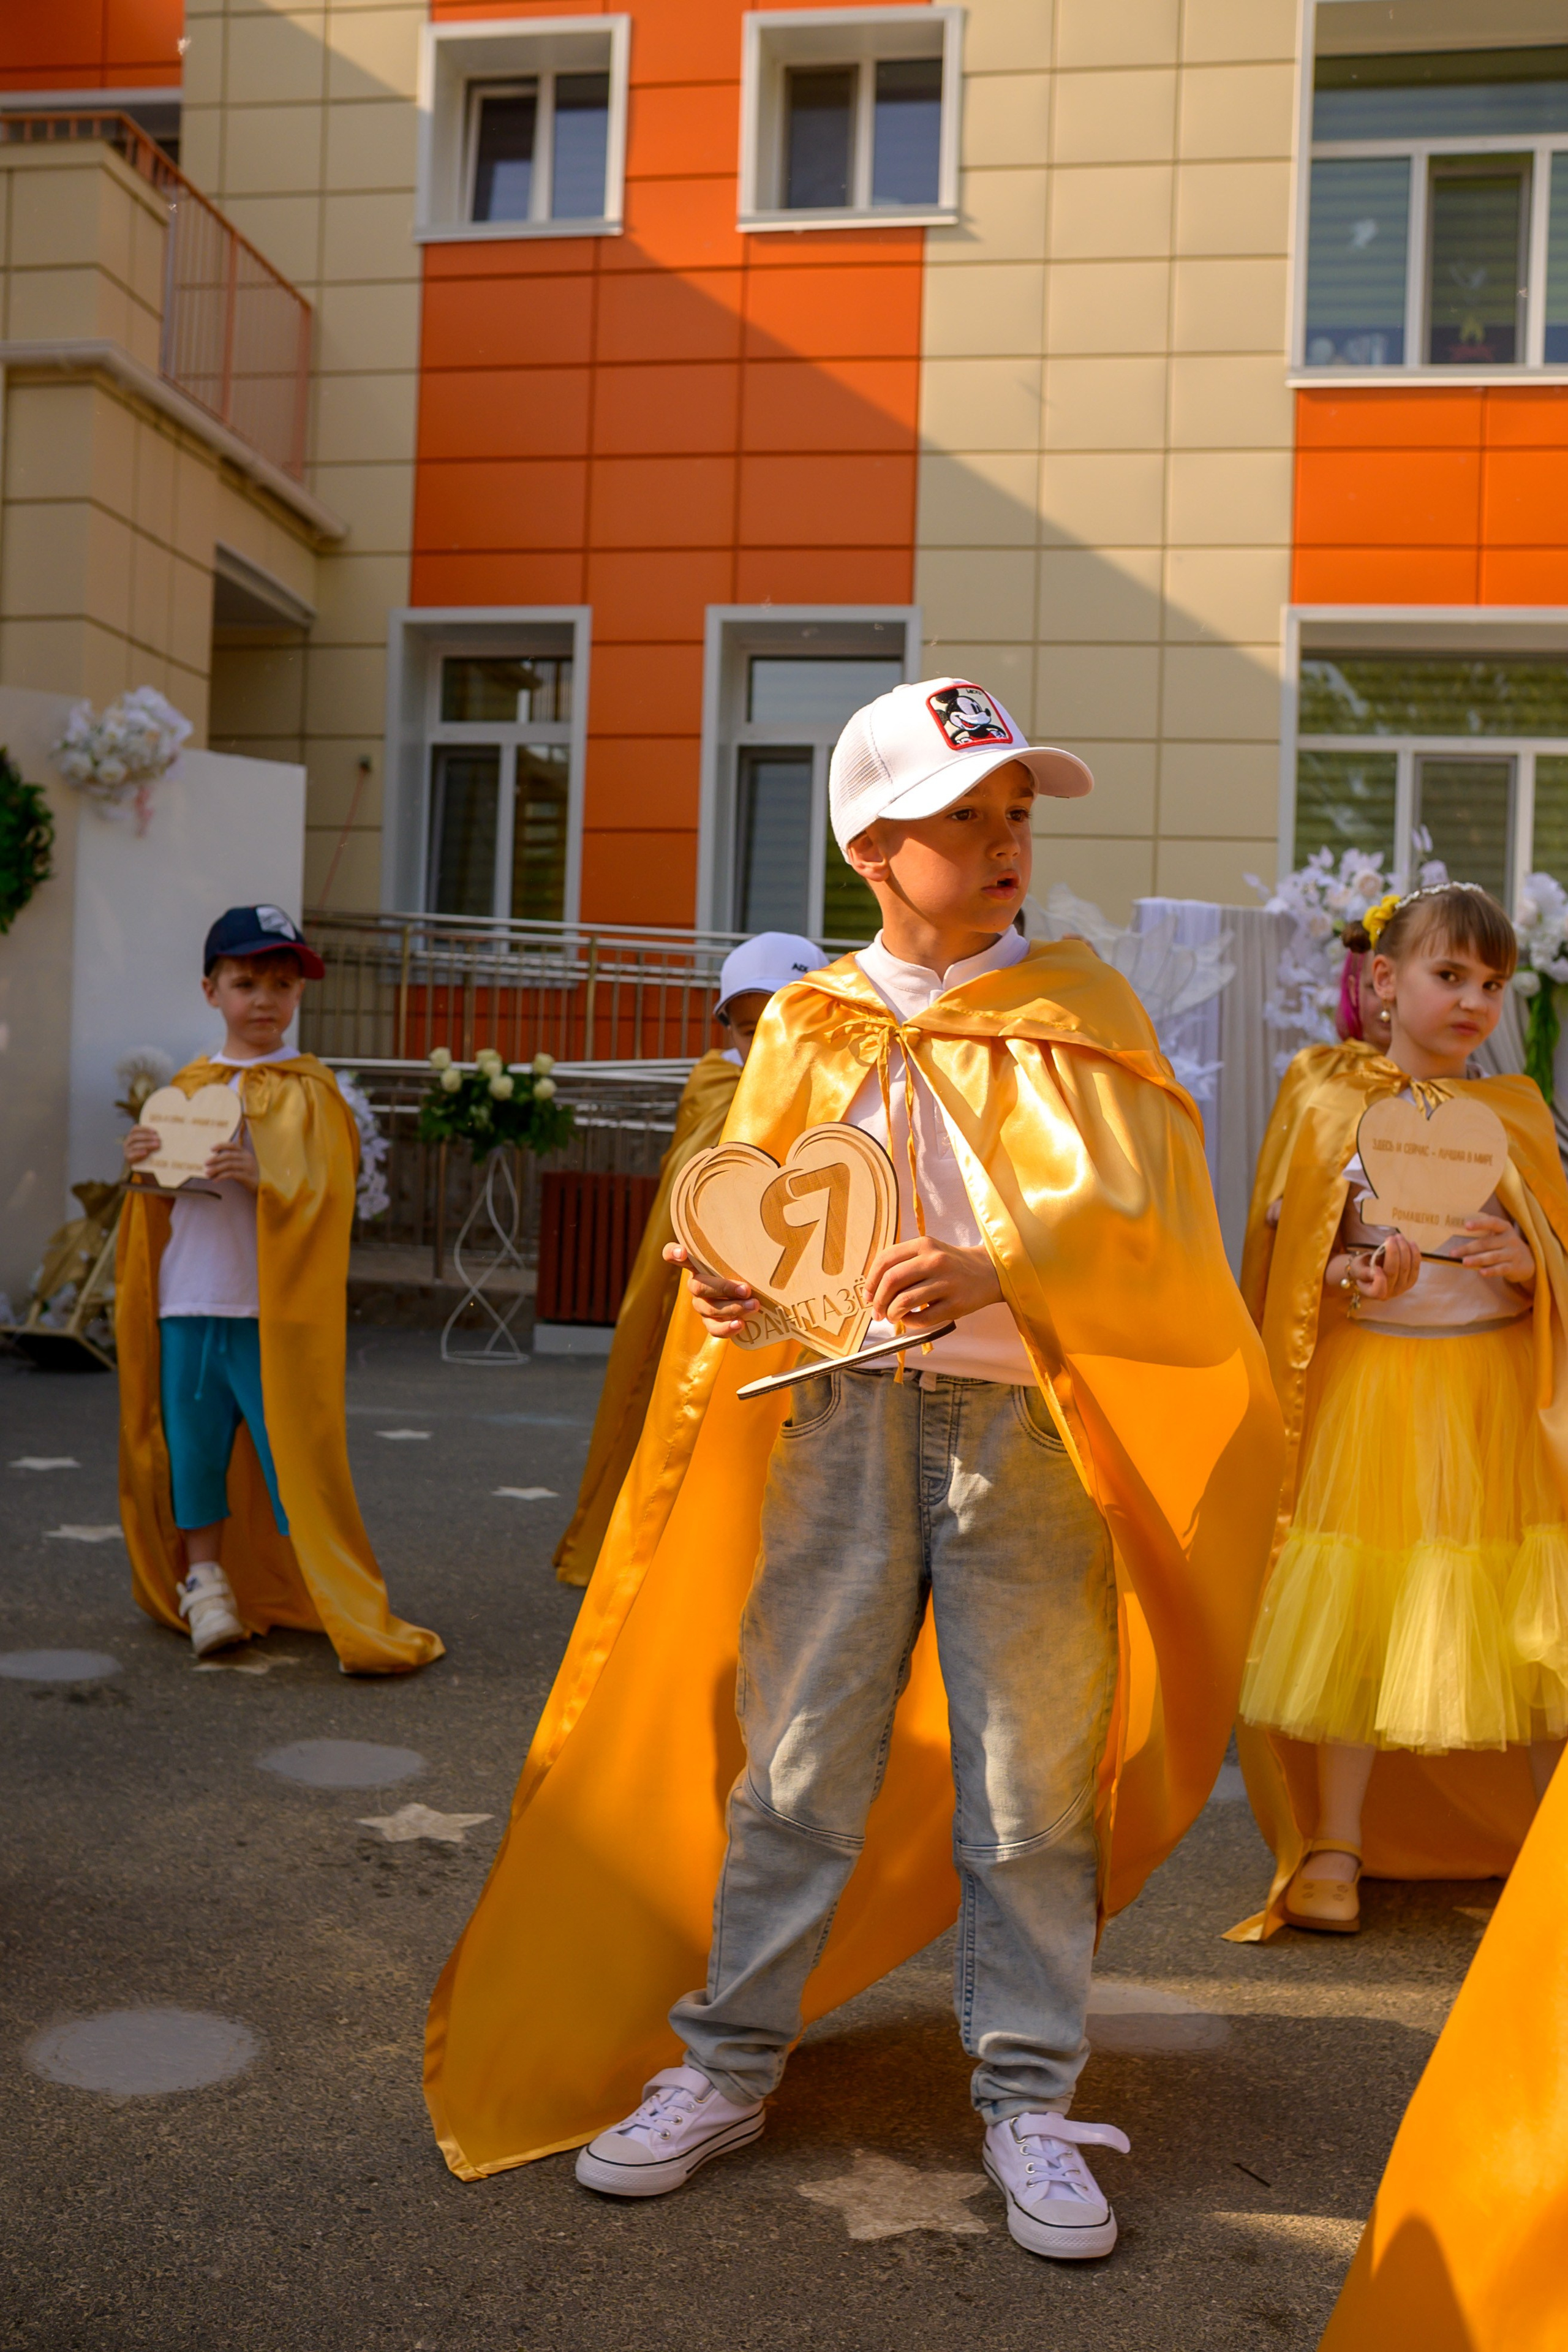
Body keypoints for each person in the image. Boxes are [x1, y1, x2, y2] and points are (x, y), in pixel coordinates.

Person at [424, 678, 1284, 2262]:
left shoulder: (1085, 1015)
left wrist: (1005, 1265)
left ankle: (1028, 2094)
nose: (1009, 839)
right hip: (839, 1427)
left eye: (1019, 810)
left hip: (1028, 1445)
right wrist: (732, 1293)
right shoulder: (808, 1026)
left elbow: (1165, 1233)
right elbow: (750, 1229)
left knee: (1030, 1784)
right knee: (798, 1763)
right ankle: (726, 2065)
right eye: (970, 815)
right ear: (877, 846)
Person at [1231, 884, 1568, 1943]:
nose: (1474, 1001)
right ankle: (1336, 1841)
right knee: (1362, 1617)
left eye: (1493, 984)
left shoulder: (1514, 1111)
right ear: (1385, 981)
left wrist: (1533, 1270)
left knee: (1531, 1622)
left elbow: (1553, 1248)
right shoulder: (1328, 1100)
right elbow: (1291, 1261)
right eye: (1449, 976)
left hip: (1492, 1398)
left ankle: (1553, 1841)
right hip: (1377, 1397)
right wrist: (1351, 1277)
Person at [117, 905, 442, 1675]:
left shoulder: (312, 1093)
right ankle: (205, 1586)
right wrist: (145, 1170)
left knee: (292, 1457)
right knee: (193, 1453)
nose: (263, 999)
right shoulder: (186, 1090)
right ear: (211, 991)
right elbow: (159, 1213)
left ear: (299, 996)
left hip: (274, 1315)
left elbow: (332, 1197)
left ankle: (327, 1591)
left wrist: (269, 1179)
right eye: (245, 982)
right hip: (191, 1301)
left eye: (281, 984)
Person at [553, 933, 826, 1588]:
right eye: (747, 1028)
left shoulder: (849, 1094)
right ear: (726, 1029)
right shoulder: (713, 1086)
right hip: (710, 1299)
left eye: (785, 1025)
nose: (764, 1046)